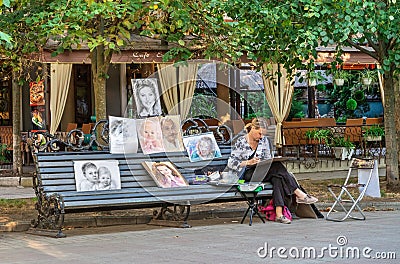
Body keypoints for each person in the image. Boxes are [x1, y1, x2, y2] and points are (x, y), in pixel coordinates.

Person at [227, 118, 318, 224]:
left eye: (263, 134)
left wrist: (264, 161)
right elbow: (231, 163)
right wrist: (248, 162)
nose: (261, 137)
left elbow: (268, 159)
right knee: (277, 168)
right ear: (252, 128)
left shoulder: (264, 140)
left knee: (277, 177)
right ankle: (298, 193)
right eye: (259, 133)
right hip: (248, 174)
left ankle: (279, 214)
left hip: (264, 171)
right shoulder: (241, 142)